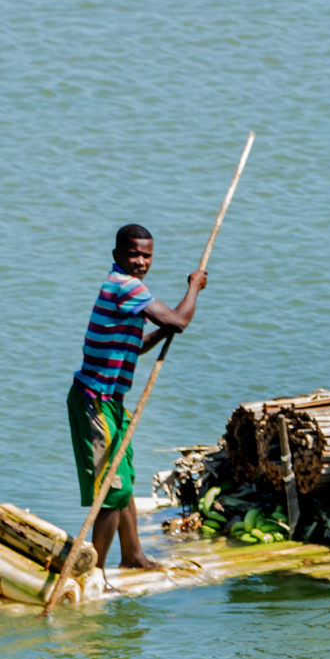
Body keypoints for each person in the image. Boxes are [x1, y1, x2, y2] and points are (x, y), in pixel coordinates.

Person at [69, 223, 207, 574]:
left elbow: (137, 344)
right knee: (112, 491)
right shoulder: (124, 286)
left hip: (112, 402)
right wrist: (193, 287)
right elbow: (179, 321)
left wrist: (161, 331)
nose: (141, 261)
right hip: (93, 402)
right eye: (133, 254)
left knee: (124, 479)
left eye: (147, 255)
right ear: (117, 256)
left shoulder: (129, 290)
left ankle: (133, 556)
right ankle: (94, 571)